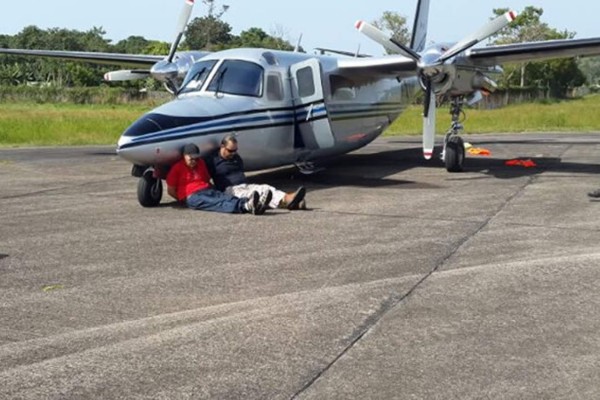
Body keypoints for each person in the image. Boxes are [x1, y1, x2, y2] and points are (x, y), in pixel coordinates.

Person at [205, 135, 307, 210]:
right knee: (254, 192)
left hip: (244, 185)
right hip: (229, 189)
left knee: (265, 189)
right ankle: (286, 200)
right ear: (222, 146)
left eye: (235, 150)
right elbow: (206, 177)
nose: (233, 153)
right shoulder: (213, 160)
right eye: (230, 151)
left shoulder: (236, 158)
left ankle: (286, 200)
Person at [166, 143, 269, 215]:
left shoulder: (200, 163)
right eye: (191, 158)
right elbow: (170, 190)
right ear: (184, 156)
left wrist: (212, 188)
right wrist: (183, 199)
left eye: (196, 158)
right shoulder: (177, 168)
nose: (194, 161)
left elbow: (206, 179)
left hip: (206, 188)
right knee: (216, 203)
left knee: (224, 197)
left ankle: (251, 203)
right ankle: (245, 206)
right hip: (192, 195)